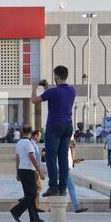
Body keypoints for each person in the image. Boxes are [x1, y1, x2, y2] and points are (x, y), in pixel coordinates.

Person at [31, 65, 76, 197]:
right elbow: (54, 98)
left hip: (54, 126)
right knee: (63, 158)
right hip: (68, 126)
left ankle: (53, 187)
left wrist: (34, 88)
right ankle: (62, 188)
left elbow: (34, 100)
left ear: (56, 76)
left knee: (51, 157)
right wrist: (47, 88)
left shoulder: (53, 92)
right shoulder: (72, 90)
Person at [10, 125, 45, 222]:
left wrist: (17, 172)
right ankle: (16, 211)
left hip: (22, 170)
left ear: (22, 131)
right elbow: (32, 158)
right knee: (33, 194)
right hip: (28, 170)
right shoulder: (28, 143)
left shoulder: (19, 143)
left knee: (29, 194)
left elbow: (17, 159)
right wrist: (39, 171)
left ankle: (34, 217)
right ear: (30, 132)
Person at [66, 139, 88, 213]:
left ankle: (77, 207)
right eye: (73, 143)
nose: (75, 144)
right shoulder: (65, 148)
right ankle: (77, 207)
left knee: (63, 188)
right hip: (64, 170)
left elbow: (69, 161)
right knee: (71, 187)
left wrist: (74, 161)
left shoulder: (68, 149)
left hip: (66, 169)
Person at [30, 130, 45, 213]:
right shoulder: (32, 144)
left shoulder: (34, 144)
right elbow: (33, 158)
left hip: (35, 169)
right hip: (35, 170)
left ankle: (35, 206)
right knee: (37, 188)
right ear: (35, 136)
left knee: (36, 188)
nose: (40, 137)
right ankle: (34, 206)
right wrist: (38, 171)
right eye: (39, 136)